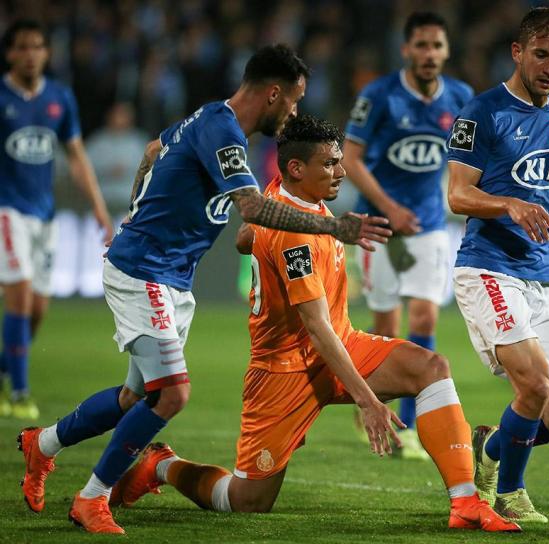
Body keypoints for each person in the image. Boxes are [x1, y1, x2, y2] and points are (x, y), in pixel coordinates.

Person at [17, 45, 391, 534]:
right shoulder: (222, 129)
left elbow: (153, 151)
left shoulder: (210, 120)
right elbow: (252, 208)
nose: (295, 111)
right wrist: (334, 227)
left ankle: (42, 444)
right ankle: (91, 498)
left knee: (136, 397)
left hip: (172, 277)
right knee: (172, 393)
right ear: (273, 94)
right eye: (294, 100)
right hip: (144, 272)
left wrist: (136, 211)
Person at [108, 114, 521, 534]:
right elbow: (316, 328)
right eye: (329, 164)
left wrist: (257, 241)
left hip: (341, 344)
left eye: (339, 161)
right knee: (247, 501)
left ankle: (465, 502)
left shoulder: (282, 196)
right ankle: (162, 464)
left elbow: (244, 237)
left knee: (430, 368)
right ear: (296, 169)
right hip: (284, 371)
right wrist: (367, 401)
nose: (341, 172)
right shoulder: (295, 239)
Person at [446, 7, 549, 524]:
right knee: (536, 384)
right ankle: (510, 493)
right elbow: (457, 195)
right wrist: (508, 204)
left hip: (548, 274)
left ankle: (489, 449)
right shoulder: (480, 113)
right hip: (490, 267)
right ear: (517, 52)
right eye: (542, 55)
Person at [342, 12, 473, 459]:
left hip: (429, 225)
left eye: (437, 45)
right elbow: (350, 159)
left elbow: (473, 157)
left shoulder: (461, 97)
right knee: (384, 328)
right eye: (421, 45)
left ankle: (411, 428)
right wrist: (390, 207)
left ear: (447, 51)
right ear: (406, 50)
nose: (429, 54)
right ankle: (370, 407)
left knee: (424, 319)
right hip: (378, 226)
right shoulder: (379, 95)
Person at [0, 20, 114, 420]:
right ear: (9, 53)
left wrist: (99, 207)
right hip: (7, 210)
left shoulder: (59, 98)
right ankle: (19, 393)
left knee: (37, 310)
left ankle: (4, 371)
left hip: (45, 216)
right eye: (22, 47)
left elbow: (76, 156)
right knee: (19, 295)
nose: (30, 54)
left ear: (47, 53)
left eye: (37, 46)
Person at [86, 102, 149, 216]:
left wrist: (127, 170)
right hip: (102, 201)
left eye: (123, 115)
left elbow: (151, 169)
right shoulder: (98, 141)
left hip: (130, 203)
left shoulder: (139, 141)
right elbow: (84, 168)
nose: (119, 119)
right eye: (117, 115)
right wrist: (107, 170)